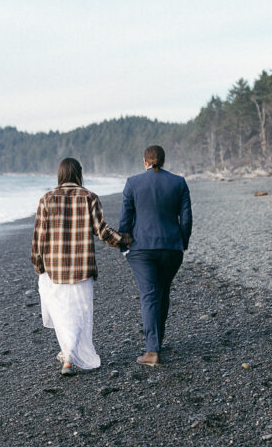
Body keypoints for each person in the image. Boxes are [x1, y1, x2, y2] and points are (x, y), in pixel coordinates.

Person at [31, 158, 129, 376]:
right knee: (80, 313)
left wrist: (38, 265)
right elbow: (102, 231)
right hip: (81, 267)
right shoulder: (89, 197)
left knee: (62, 312)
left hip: (54, 268)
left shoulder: (46, 199)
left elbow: (39, 238)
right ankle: (70, 354)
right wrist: (122, 240)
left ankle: (68, 355)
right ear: (79, 174)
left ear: (60, 175)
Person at [118, 145, 192, 366]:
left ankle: (152, 351)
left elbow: (125, 219)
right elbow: (186, 219)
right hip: (171, 247)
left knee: (149, 295)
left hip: (142, 249)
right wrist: (182, 243)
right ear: (163, 160)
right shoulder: (179, 182)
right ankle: (157, 341)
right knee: (162, 292)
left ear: (145, 161)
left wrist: (124, 246)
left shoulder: (133, 182)